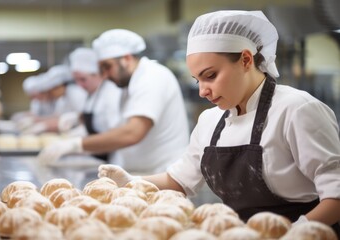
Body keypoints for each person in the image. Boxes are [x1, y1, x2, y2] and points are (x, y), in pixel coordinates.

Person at [98, 10, 340, 234]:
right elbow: (180, 180)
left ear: (246, 59)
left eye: (210, 76)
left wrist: (298, 231)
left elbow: (336, 194)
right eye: (197, 80)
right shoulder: (210, 120)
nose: (203, 91)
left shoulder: (297, 110)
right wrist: (132, 181)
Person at [38, 29, 190, 173]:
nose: (104, 75)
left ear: (127, 59)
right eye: (101, 69)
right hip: (140, 174)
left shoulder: (152, 77)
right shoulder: (128, 85)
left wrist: (77, 144)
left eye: (107, 67)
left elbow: (132, 132)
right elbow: (117, 128)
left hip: (162, 174)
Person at [55, 47, 123, 160]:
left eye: (83, 79)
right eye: (76, 80)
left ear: (98, 74)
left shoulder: (111, 93)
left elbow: (117, 134)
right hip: (97, 155)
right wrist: (78, 117)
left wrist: (77, 143)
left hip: (114, 157)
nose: (80, 85)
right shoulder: (93, 94)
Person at [17, 64, 87, 134]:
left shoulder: (76, 93)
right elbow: (58, 117)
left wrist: (43, 125)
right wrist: (39, 122)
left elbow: (84, 117)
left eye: (52, 90)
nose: (52, 94)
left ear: (60, 86)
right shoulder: (62, 99)